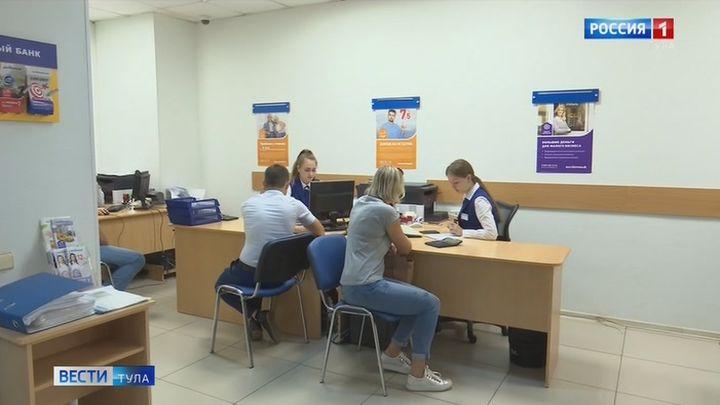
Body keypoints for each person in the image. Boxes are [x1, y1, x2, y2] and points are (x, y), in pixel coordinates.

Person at [340, 166, 453, 392]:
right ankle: (418, 375)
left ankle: (391, 355)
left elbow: (371, 236)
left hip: (351, 285)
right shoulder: (386, 211)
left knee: (417, 304)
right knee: (430, 304)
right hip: (366, 286)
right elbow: (405, 248)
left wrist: (386, 240)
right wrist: (392, 238)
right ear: (394, 188)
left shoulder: (360, 203)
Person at [215, 164, 325, 340]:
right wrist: (295, 229)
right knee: (258, 270)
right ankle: (256, 320)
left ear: (263, 183)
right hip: (284, 276)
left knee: (221, 284)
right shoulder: (295, 204)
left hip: (252, 275)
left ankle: (255, 315)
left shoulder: (248, 204)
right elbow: (319, 231)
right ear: (287, 185)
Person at [445, 159, 499, 240]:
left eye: (456, 183)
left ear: (468, 178)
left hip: (482, 245)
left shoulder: (479, 201)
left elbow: (492, 234)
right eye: (451, 183)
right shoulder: (467, 194)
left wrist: (463, 232)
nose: (453, 187)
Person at [97, 207, 146, 291]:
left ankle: (107, 291)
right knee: (137, 259)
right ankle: (109, 292)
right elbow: (103, 241)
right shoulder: (86, 212)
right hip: (89, 251)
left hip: (84, 250)